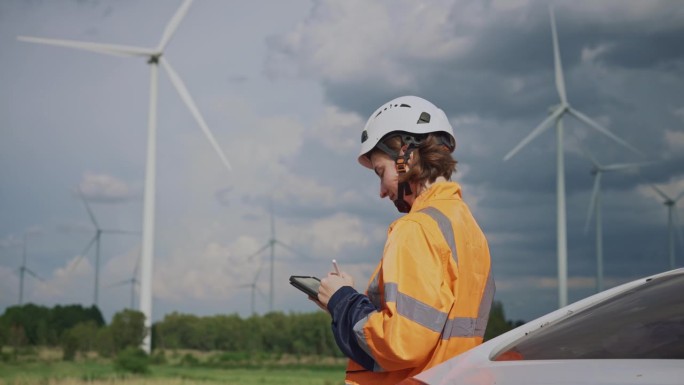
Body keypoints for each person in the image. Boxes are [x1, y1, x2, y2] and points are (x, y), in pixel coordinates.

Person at [316, 95, 495, 385]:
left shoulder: (417, 226)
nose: (381, 191)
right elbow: (430, 327)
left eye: (380, 172)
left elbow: (402, 343)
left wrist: (341, 300)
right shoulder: (467, 228)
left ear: (406, 157)